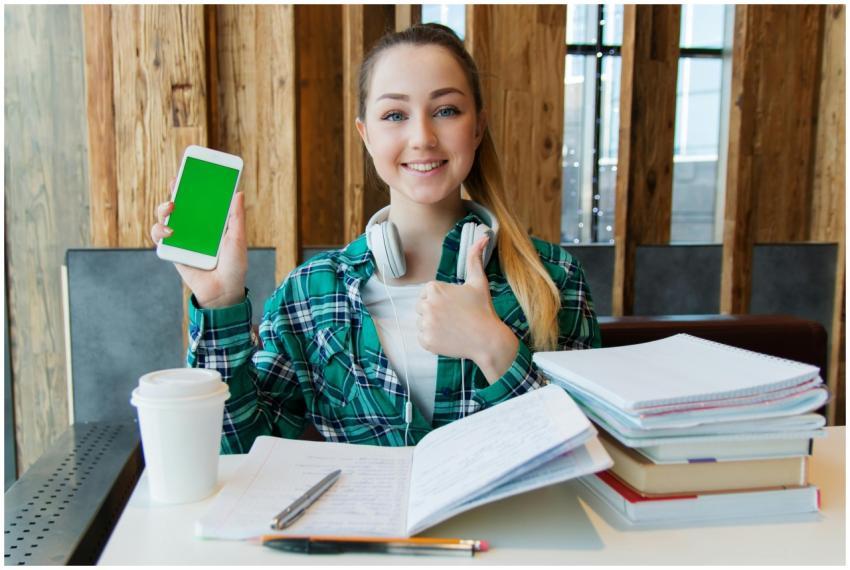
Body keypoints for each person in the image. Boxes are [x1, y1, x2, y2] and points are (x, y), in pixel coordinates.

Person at [150, 23, 600, 453]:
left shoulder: (553, 277)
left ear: (477, 126)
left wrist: (492, 345)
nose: (422, 137)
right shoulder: (312, 293)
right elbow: (234, 448)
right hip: (364, 532)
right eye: (394, 115)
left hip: (514, 533)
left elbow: (588, 456)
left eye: (446, 110)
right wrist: (219, 301)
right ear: (366, 134)